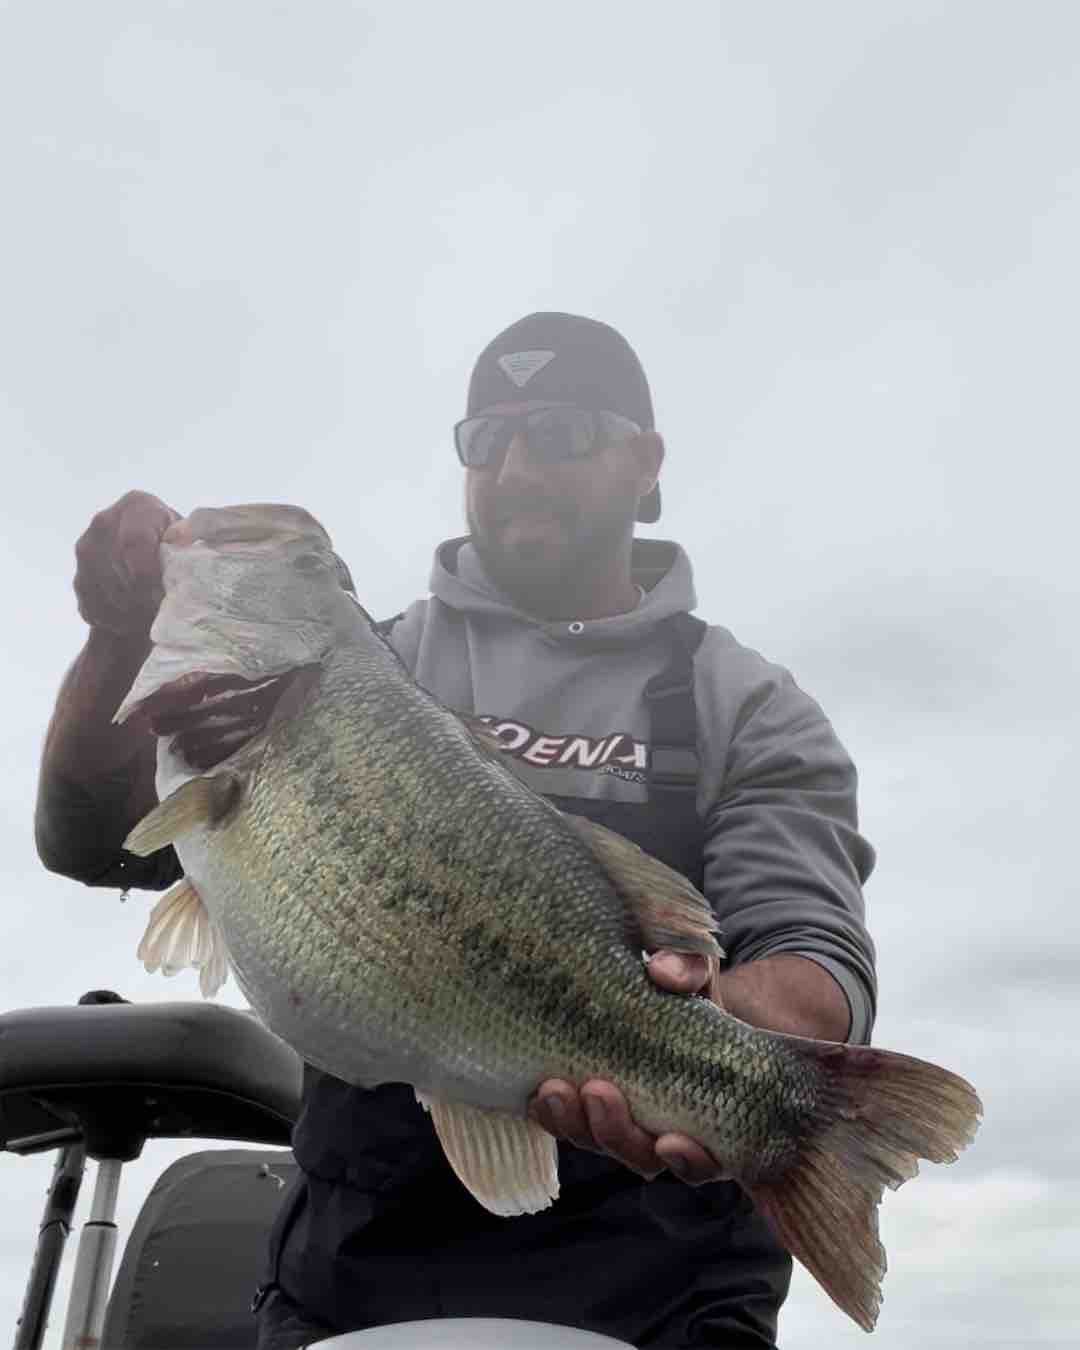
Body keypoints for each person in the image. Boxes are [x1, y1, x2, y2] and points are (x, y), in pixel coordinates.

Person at [35, 312, 876, 1349]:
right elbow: (87, 841)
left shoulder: (746, 706)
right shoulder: (367, 665)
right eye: (489, 441)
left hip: (668, 1307)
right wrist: (117, 638)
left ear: (645, 465)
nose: (516, 469)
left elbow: (811, 960)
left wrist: (718, 1069)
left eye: (561, 432)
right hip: (352, 1287)